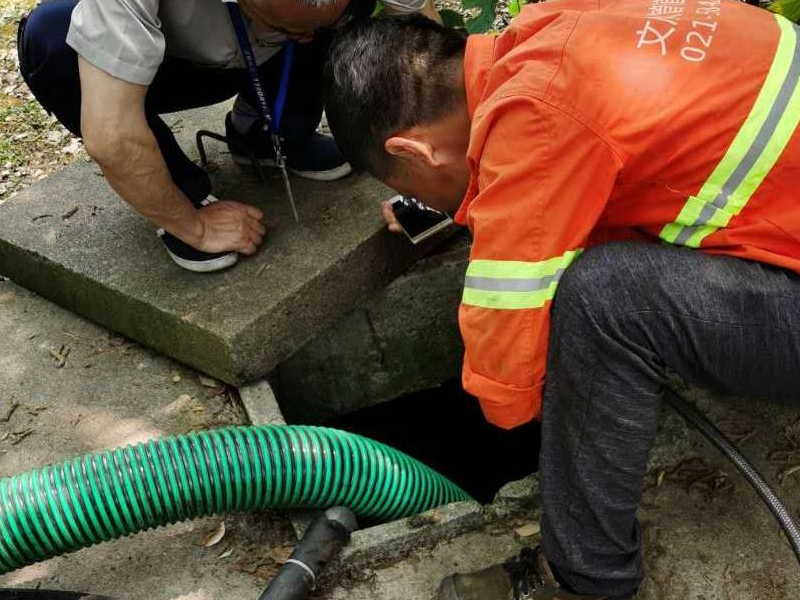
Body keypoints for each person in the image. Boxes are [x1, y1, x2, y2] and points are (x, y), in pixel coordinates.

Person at [323, 1, 800, 598]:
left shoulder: (539, 118)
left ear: (416, 152)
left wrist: (521, 414)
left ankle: (583, 579)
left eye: (405, 182)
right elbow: (590, 166)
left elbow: (506, 387)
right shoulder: (557, 27)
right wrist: (472, 198)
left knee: (604, 301)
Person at [16, 0, 439, 272]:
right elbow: (111, 134)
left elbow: (429, 52)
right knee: (52, 37)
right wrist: (193, 225)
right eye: (289, 25)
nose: (307, 36)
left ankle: (267, 135)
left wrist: (439, 171)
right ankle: (184, 193)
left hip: (255, 51)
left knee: (324, 30)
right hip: (172, 60)